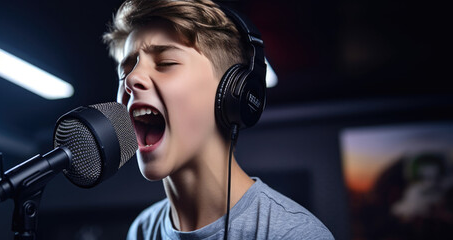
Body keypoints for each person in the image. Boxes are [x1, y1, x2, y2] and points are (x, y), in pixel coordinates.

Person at [102, 0, 334, 239]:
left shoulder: (294, 234)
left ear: (232, 94)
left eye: (165, 63)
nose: (131, 79)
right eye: (126, 71)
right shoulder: (142, 231)